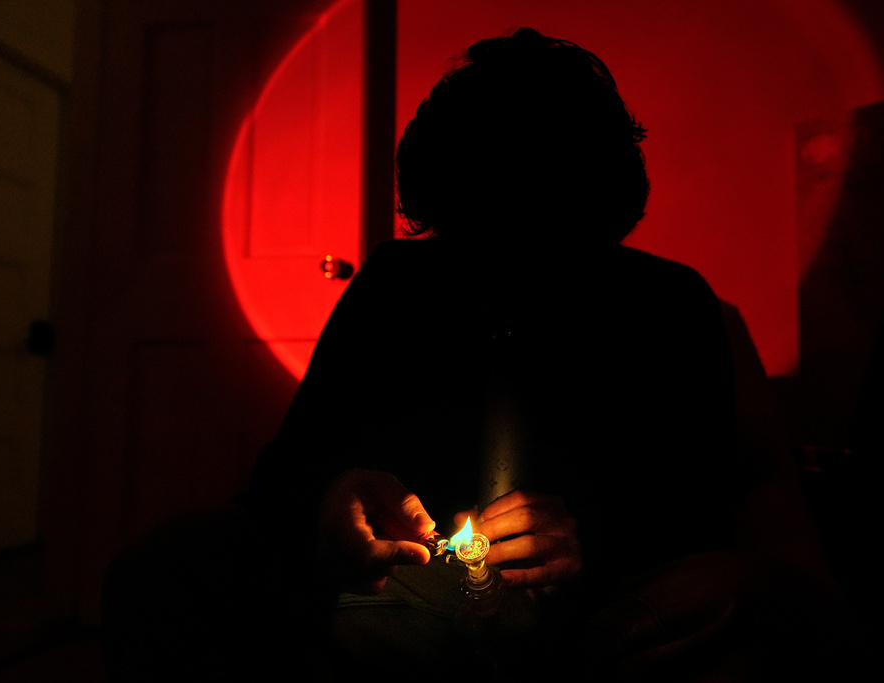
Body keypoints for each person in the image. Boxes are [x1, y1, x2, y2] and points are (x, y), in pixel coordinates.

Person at [248, 28, 847, 681]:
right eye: (473, 231)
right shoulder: (395, 287)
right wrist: (334, 497)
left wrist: (588, 536)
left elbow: (702, 503)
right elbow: (281, 474)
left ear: (592, 204)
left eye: (540, 231)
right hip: (406, 605)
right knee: (182, 564)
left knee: (735, 592)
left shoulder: (668, 303)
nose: (504, 273)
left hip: (611, 613)